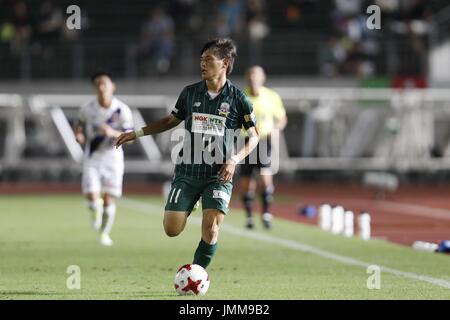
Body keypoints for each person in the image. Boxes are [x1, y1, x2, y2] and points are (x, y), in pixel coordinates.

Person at [116, 38, 259, 269]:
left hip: (218, 174)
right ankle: (191, 202)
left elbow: (254, 137)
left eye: (208, 59)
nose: (202, 64)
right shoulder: (190, 93)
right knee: (171, 229)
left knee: (211, 229)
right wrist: (138, 133)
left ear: (224, 63)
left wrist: (234, 159)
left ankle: (196, 274)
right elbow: (170, 120)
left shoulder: (239, 99)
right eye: (201, 60)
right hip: (188, 170)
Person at [74, 72, 134, 246]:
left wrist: (112, 133)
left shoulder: (121, 110)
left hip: (113, 158)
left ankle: (104, 234)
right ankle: (94, 211)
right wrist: (78, 135)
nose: (101, 87)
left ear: (112, 86)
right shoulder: (87, 108)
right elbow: (78, 124)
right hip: (93, 158)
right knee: (92, 197)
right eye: (98, 84)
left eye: (104, 84)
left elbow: (130, 137)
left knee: (109, 199)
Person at [240, 65, 287, 230]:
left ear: (262, 78)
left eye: (256, 75)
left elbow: (281, 118)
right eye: (250, 75)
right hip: (246, 141)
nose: (253, 78)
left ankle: (266, 214)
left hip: (264, 140)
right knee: (247, 182)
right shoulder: (241, 96)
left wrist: (276, 129)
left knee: (265, 177)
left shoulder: (271, 96)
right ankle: (249, 217)